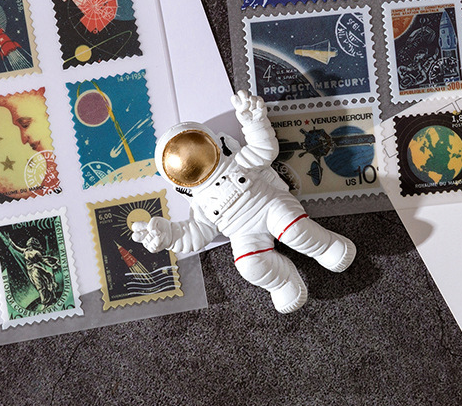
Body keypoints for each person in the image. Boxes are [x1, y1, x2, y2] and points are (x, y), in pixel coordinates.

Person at [131, 90, 356, 313]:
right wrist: (168, 236)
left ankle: (325, 246)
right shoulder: (200, 203)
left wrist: (254, 122)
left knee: (294, 229)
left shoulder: (238, 162)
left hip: (269, 205)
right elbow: (197, 233)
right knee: (249, 266)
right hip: (242, 233)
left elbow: (264, 149)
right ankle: (281, 281)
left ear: (214, 143)